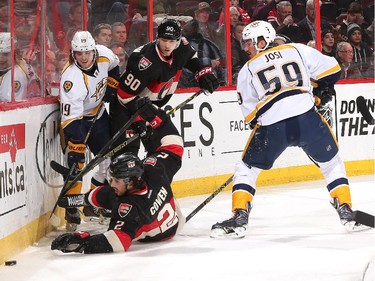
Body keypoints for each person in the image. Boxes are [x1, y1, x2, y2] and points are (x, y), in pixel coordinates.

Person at [211, 20, 364, 239]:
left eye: (248, 43)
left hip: (273, 127)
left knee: (246, 168)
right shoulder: (297, 49)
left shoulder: (247, 69)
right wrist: (320, 91)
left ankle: (239, 216)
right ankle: (346, 210)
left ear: (262, 41)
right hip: (307, 119)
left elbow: (251, 117)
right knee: (332, 163)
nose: (246, 48)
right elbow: (333, 68)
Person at [51, 106, 185, 254]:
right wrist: (159, 117)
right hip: (171, 210)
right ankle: (81, 199)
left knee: (115, 196)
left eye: (117, 180)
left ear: (132, 182)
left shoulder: (131, 208)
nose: (112, 183)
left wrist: (82, 242)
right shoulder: (153, 169)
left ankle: (81, 200)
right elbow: (174, 145)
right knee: (115, 193)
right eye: (112, 178)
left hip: (159, 235)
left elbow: (118, 241)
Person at [110, 18, 219, 157]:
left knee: (163, 151)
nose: (167, 45)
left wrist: (203, 73)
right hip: (126, 109)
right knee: (126, 158)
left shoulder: (182, 47)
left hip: (150, 107)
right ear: (157, 38)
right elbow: (124, 95)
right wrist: (140, 119)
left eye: (172, 41)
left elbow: (191, 58)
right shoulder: (144, 62)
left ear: (178, 40)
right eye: (164, 40)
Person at [59, 31, 120, 231]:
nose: (83, 58)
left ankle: (96, 203)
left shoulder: (104, 54)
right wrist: (76, 142)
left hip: (98, 114)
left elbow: (114, 66)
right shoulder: (71, 79)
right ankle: (72, 207)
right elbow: (70, 118)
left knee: (108, 159)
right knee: (76, 163)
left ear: (93, 50)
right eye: (78, 53)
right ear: (72, 53)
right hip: (77, 121)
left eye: (86, 52)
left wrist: (112, 83)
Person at [0, 32, 40, 102]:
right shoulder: (21, 64)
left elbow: (9, 107)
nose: (1, 58)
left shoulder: (16, 75)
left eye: (5, 54)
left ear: (15, 53)